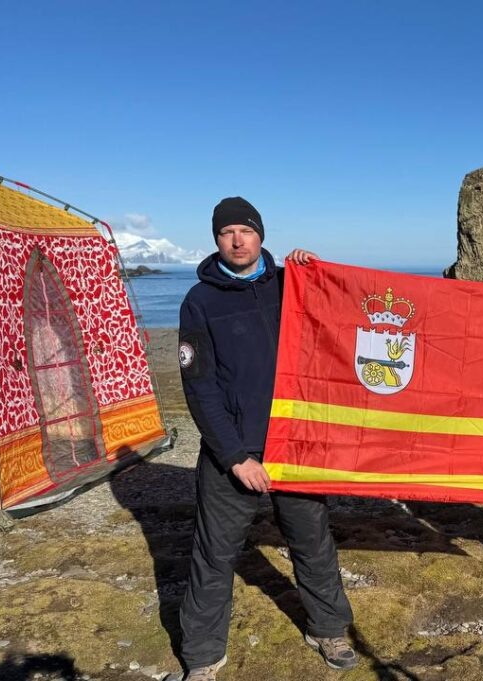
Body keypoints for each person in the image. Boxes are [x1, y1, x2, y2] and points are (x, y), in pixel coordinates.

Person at [171, 197, 356, 680]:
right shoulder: (200, 301)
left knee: (313, 542)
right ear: (216, 240)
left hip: (294, 442)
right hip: (232, 451)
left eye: (246, 231)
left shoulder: (290, 284)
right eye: (227, 232)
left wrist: (312, 268)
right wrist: (234, 458)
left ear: (261, 236)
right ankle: (203, 658)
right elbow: (200, 386)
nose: (237, 240)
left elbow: (343, 317)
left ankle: (329, 629)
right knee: (213, 554)